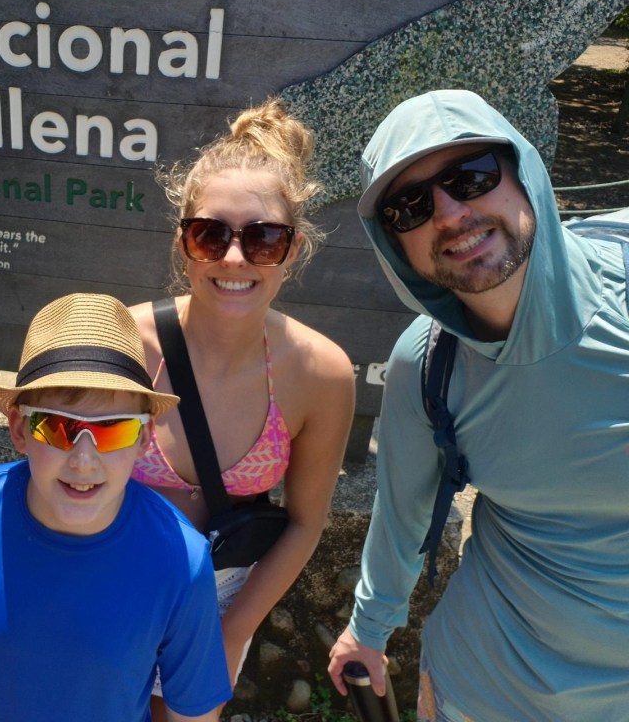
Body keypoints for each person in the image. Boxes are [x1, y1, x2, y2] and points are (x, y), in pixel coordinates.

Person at [327, 89, 629, 721]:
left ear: (523, 174)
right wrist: (369, 629)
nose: (448, 213)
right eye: (409, 207)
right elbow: (402, 514)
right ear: (393, 245)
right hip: (486, 687)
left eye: (471, 177)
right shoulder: (426, 365)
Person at [128, 97, 357, 716]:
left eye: (262, 238)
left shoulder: (321, 373)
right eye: (211, 234)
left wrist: (229, 634)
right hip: (112, 578)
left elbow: (306, 523)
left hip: (225, 597)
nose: (234, 258)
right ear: (185, 245)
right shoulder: (123, 340)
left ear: (292, 247)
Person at [0, 292, 232, 722]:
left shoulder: (182, 560)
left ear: (143, 438)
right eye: (58, 427)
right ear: (20, 429)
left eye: (114, 430)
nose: (84, 459)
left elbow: (192, 714)